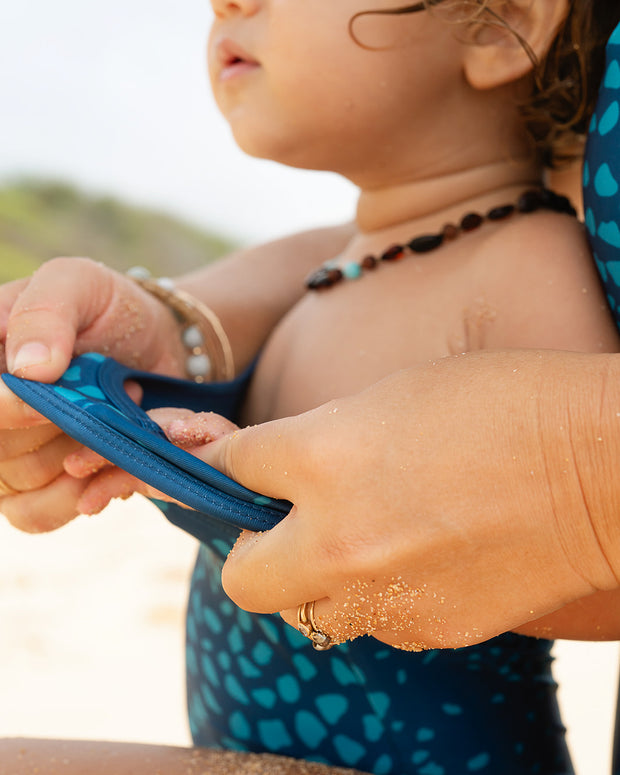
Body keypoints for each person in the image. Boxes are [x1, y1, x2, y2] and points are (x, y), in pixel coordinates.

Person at [2, 1, 620, 774]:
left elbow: (604, 578)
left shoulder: (524, 262)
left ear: (499, 25)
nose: (226, 3)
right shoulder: (333, 268)